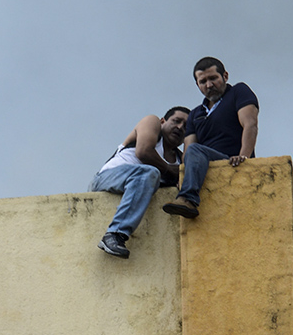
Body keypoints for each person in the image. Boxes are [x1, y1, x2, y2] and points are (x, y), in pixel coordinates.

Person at [162, 57, 258, 218]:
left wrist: (244, 157)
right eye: (203, 81)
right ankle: (188, 193)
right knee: (193, 150)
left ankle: (188, 199)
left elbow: (250, 124)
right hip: (205, 164)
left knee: (195, 150)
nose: (209, 85)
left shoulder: (238, 92)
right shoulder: (195, 114)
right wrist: (183, 174)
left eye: (213, 78)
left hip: (231, 160)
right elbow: (188, 150)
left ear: (225, 76)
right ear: (197, 85)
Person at [90, 106, 190, 258]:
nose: (180, 127)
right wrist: (171, 171)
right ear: (163, 121)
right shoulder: (152, 122)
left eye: (186, 127)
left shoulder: (179, 158)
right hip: (108, 177)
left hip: (134, 185)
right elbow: (143, 152)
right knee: (149, 172)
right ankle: (115, 234)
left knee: (151, 174)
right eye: (176, 121)